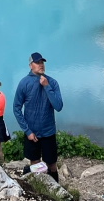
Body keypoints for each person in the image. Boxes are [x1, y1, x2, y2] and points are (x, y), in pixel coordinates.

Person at [13, 52, 64, 183]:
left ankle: (56, 192)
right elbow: (16, 108)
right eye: (37, 62)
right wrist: (27, 131)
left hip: (48, 132)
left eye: (42, 62)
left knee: (52, 165)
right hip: (32, 133)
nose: (41, 65)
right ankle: (38, 190)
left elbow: (58, 106)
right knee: (35, 164)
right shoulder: (24, 83)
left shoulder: (52, 82)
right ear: (31, 65)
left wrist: (47, 86)